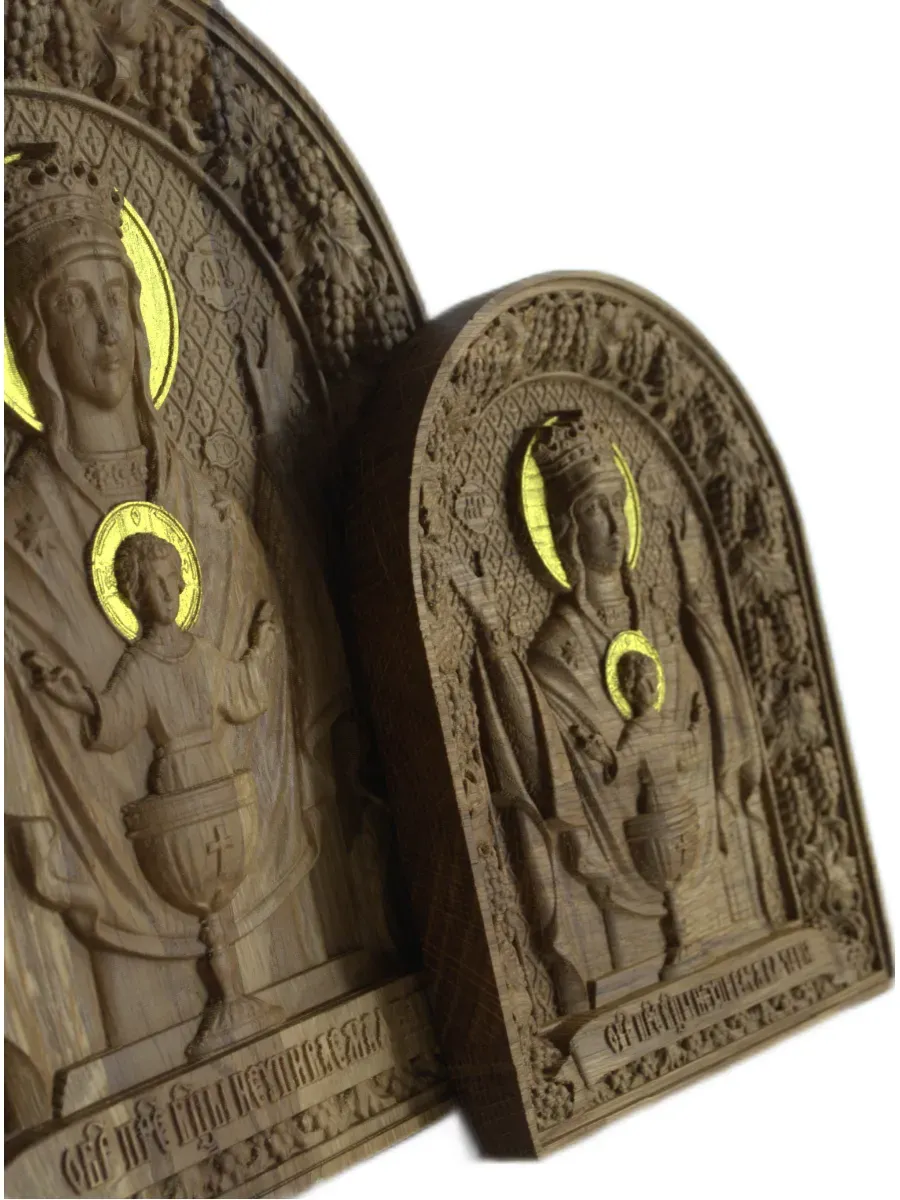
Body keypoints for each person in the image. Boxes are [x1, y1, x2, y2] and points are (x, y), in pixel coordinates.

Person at [457, 418, 785, 1015]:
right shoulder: (556, 650)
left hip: (683, 825)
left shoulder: (658, 624)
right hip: (627, 856)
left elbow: (704, 720)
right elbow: (552, 767)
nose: (615, 522)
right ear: (566, 530)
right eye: (595, 509)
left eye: (617, 504)